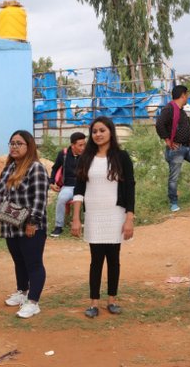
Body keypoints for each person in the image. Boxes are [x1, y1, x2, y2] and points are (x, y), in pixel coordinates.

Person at [71, 116, 135, 318]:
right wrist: (76, 218)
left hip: (115, 214)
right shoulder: (85, 158)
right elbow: (79, 190)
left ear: (110, 132)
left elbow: (129, 188)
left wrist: (129, 218)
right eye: (95, 131)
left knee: (114, 259)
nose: (98, 134)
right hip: (94, 215)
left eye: (102, 130)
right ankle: (93, 303)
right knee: (95, 260)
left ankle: (112, 300)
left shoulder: (122, 157)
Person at [0, 131, 49, 318]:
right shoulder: (9, 168)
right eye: (12, 143)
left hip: (30, 226)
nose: (14, 147)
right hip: (11, 224)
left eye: (19, 143)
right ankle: (22, 291)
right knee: (19, 261)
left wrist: (33, 222)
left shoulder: (36, 168)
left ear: (29, 146)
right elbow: (0, 195)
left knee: (33, 263)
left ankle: (33, 302)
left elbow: (40, 198)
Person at [155, 85, 190, 212]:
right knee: (174, 177)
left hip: (188, 146)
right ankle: (173, 202)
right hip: (177, 149)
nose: (188, 98)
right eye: (187, 95)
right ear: (183, 95)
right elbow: (159, 124)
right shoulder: (169, 109)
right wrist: (167, 140)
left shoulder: (181, 110)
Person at [48, 132, 86, 237]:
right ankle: (58, 227)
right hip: (68, 186)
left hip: (83, 186)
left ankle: (87, 224)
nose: (83, 148)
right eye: (80, 145)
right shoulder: (63, 154)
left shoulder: (87, 155)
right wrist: (51, 182)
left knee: (89, 199)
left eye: (84, 145)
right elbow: (55, 168)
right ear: (73, 145)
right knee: (61, 199)